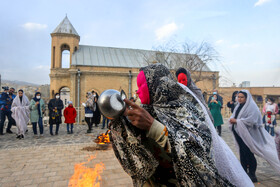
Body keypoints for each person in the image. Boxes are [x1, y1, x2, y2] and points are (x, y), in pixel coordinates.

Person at [109, 63, 253, 187]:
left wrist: (154, 127)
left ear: (157, 86)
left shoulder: (184, 109)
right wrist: (120, 121)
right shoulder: (146, 110)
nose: (138, 91)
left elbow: (197, 151)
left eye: (141, 85)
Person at [229, 90, 280, 182]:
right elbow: (234, 116)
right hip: (239, 133)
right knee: (242, 153)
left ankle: (252, 174)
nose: (239, 99)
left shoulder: (252, 107)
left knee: (249, 153)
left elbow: (252, 120)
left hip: (250, 134)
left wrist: (237, 121)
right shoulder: (238, 106)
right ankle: (244, 172)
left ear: (246, 98)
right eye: (238, 97)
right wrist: (233, 120)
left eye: (242, 97)